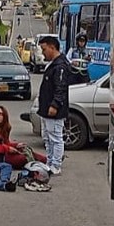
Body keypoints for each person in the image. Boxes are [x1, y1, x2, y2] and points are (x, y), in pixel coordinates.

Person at [37, 35, 71, 175]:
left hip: (53, 110)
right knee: (47, 137)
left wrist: (55, 105)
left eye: (44, 49)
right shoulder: (53, 64)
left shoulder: (60, 66)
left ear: (52, 47)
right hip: (46, 108)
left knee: (56, 137)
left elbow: (60, 87)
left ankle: (56, 165)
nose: (42, 53)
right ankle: (49, 161)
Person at [0, 105, 45, 169]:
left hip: (4, 155)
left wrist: (16, 145)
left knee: (27, 152)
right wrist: (8, 149)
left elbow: (6, 143)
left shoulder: (4, 128)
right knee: (25, 158)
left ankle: (47, 161)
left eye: (0, 114)